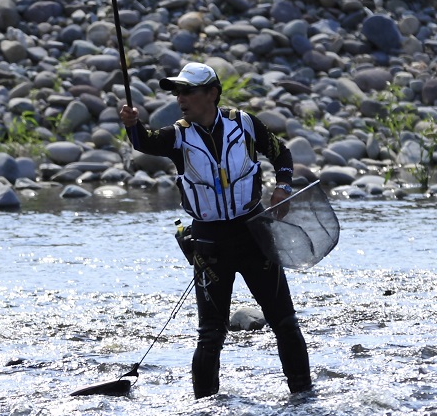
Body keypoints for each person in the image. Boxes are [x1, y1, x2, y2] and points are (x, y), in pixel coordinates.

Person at [118, 61, 313, 398]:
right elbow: (145, 143)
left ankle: (304, 398)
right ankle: (204, 410)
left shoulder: (246, 125)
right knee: (210, 334)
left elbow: (281, 154)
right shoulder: (177, 136)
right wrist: (132, 125)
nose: (180, 98)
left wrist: (283, 187)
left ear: (212, 93)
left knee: (284, 322)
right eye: (177, 92)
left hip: (255, 236)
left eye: (187, 91)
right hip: (209, 244)